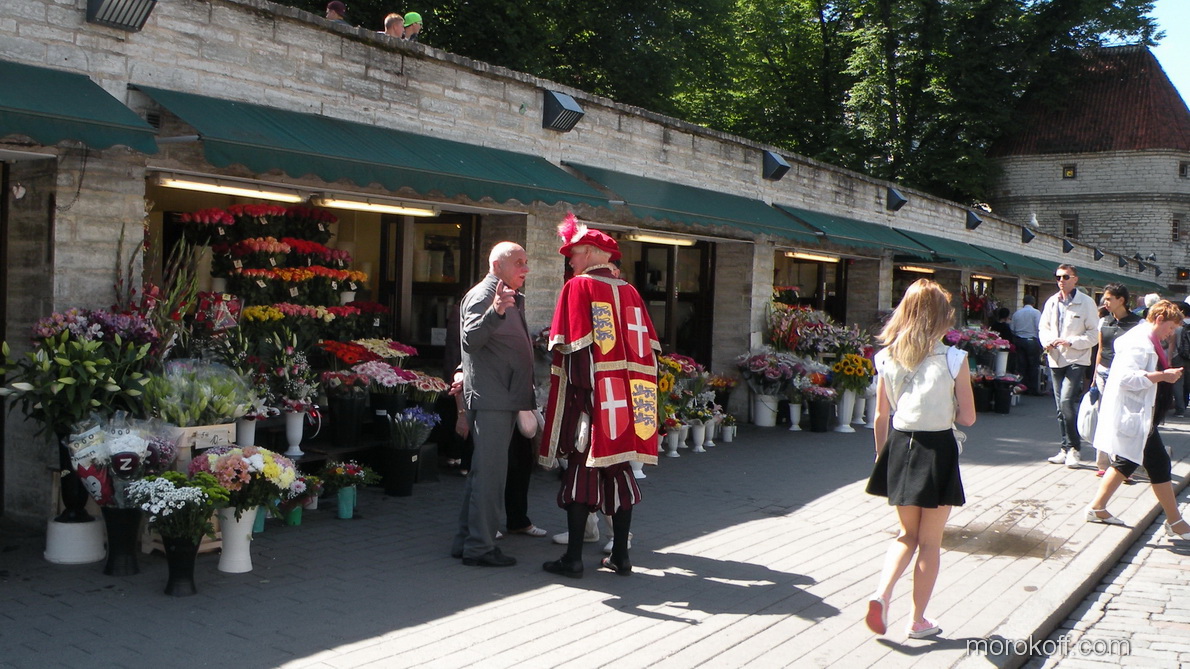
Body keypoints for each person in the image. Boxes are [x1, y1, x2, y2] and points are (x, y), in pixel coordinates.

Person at [539, 215, 660, 578]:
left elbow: (575, 350)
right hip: (627, 402)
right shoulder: (630, 292)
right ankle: (620, 555)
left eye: (574, 254)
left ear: (591, 252)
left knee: (581, 475)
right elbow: (649, 352)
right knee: (618, 472)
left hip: (591, 404)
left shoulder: (579, 287)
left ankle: (573, 559)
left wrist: (579, 406)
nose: (570, 261)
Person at [864, 279, 976, 639]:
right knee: (930, 541)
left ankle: (882, 594)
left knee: (906, 535)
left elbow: (880, 416)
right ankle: (917, 620)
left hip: (899, 446)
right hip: (937, 448)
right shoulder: (955, 358)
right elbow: (968, 417)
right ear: (942, 316)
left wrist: (881, 457)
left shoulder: (886, 357)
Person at [450, 242, 536, 567]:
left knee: (483, 475)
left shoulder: (506, 295)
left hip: (502, 396)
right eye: (518, 262)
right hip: (492, 399)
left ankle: (467, 542)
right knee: (490, 477)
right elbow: (470, 340)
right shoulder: (484, 296)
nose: (525, 268)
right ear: (497, 266)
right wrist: (496, 311)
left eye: (526, 261)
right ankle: (480, 548)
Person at [1085, 300, 1190, 540]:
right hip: (1135, 413)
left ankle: (1097, 507)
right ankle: (1175, 521)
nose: (1170, 333)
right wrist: (1162, 376)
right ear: (1159, 320)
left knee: (1129, 461)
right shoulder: (1140, 343)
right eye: (1170, 328)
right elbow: (1126, 379)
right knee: (1156, 464)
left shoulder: (1145, 339)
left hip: (1140, 414)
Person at [1039, 265, 1099, 467]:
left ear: (1075, 279)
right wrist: (1047, 342)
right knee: (1060, 407)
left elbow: (1093, 334)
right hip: (1055, 358)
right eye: (1057, 277)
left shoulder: (1086, 302)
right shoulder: (1052, 301)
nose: (1061, 281)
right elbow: (1043, 327)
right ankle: (1064, 448)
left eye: (1065, 277)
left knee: (1066, 401)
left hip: (1076, 359)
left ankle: (1074, 448)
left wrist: (1070, 342)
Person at [1091, 284, 1143, 476]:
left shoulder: (1137, 323)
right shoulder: (1104, 321)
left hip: (1124, 375)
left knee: (1121, 417)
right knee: (1104, 416)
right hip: (1104, 372)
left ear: (1121, 300)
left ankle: (1120, 465)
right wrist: (1094, 375)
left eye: (1109, 299)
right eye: (1104, 298)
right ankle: (1103, 463)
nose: (1105, 302)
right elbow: (1100, 349)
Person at [1011, 295, 1043, 395]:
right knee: (1033, 365)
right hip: (1031, 340)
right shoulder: (1036, 313)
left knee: (1021, 365)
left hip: (1019, 340)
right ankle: (1032, 389)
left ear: (1023, 302)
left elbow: (1012, 328)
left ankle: (1021, 386)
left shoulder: (1017, 313)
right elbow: (1039, 327)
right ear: (1034, 303)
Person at [988, 307, 1016, 373]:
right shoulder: (1006, 327)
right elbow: (1009, 339)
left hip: (993, 348)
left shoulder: (994, 325)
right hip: (1004, 349)